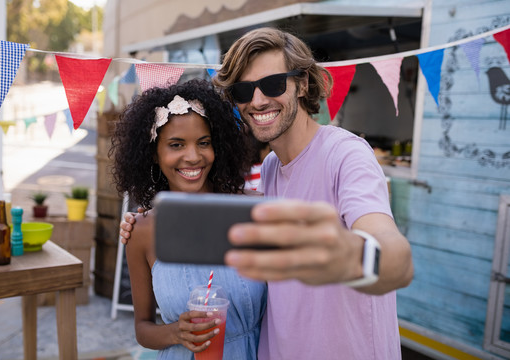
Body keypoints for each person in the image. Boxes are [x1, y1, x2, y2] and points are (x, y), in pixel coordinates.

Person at [121, 28, 414, 359]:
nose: (258, 100)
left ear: (303, 83)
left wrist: (351, 255)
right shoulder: (272, 169)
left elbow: (395, 257)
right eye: (245, 90)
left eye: (274, 84)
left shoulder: (346, 155)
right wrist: (144, 218)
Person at [110, 78, 267, 359]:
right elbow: (143, 330)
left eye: (203, 142)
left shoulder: (252, 211)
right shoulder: (142, 231)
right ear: (154, 154)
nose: (193, 156)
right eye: (176, 144)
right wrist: (175, 333)